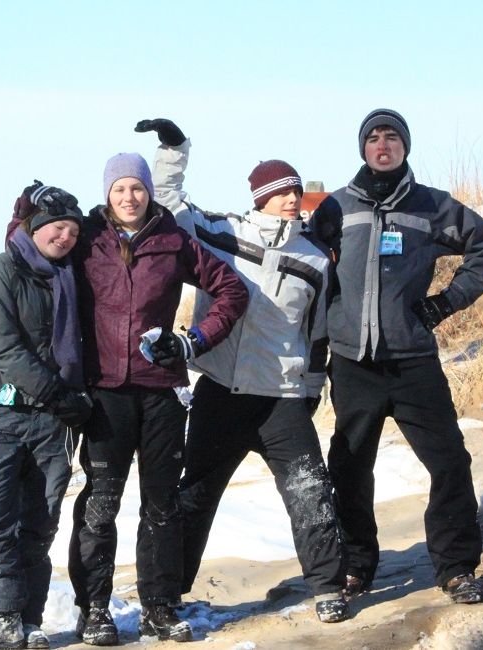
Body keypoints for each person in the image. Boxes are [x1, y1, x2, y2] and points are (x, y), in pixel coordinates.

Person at [7, 155, 249, 644]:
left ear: (147, 191)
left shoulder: (173, 239)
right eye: (120, 189)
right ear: (107, 193)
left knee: (162, 504)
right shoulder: (87, 237)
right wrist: (23, 209)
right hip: (104, 393)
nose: (130, 198)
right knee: (100, 505)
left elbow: (232, 291)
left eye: (137, 188)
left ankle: (159, 606)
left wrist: (191, 341)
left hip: (161, 391)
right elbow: (29, 249)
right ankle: (93, 609)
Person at [136, 118, 350, 624]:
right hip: (221, 393)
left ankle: (328, 587)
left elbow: (316, 334)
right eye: (280, 193)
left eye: (296, 191)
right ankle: (170, 595)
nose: (292, 200)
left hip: (281, 396)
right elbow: (166, 201)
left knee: (310, 491)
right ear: (259, 198)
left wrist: (311, 389)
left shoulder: (315, 259)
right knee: (195, 495)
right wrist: (174, 148)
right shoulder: (219, 232)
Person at [311, 108, 483, 605]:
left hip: (414, 361)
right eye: (374, 137)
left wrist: (447, 302)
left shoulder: (432, 206)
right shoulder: (335, 208)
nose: (383, 144)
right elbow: (307, 272)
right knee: (350, 469)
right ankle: (357, 565)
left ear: (405, 147)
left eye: (392, 137)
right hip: (354, 364)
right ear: (362, 148)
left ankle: (456, 567)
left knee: (449, 462)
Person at [0, 183, 95, 650]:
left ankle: (28, 621)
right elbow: (1, 348)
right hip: (4, 414)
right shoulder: (0, 272)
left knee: (39, 523)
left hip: (54, 424)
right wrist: (58, 393)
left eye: (74, 231)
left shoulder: (72, 278)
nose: (66, 237)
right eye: (58, 227)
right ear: (34, 228)